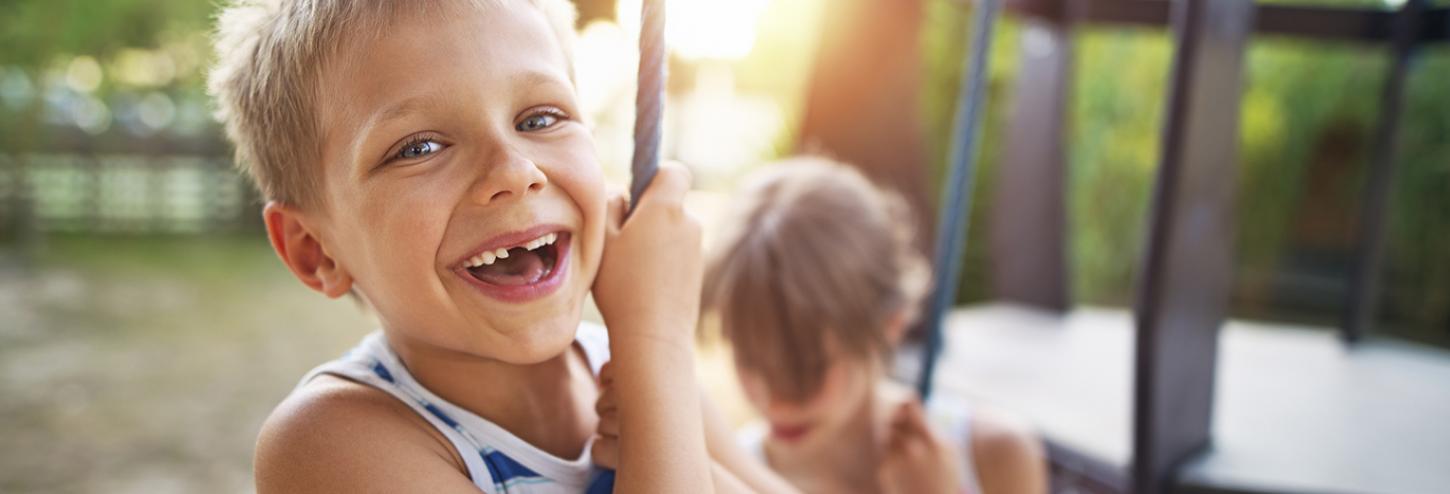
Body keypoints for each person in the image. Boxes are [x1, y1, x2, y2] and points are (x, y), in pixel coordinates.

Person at [208, 0, 780, 491]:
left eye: (540, 117)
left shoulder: (628, 364)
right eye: (419, 148)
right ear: (316, 250)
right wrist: (658, 344)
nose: (515, 171)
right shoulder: (328, 444)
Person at [700, 157, 1050, 494]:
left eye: (805, 368)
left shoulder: (994, 455)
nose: (773, 400)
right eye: (748, 360)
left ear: (889, 325)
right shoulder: (730, 478)